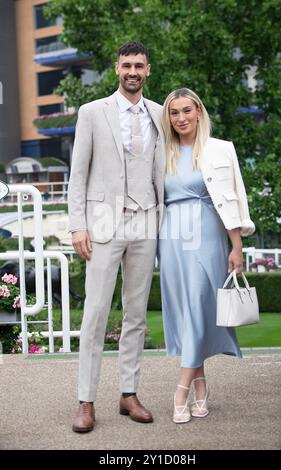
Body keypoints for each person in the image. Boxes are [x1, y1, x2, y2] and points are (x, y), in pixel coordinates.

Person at [68, 41, 165, 432]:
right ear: (116, 68)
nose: (133, 72)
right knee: (95, 315)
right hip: (104, 225)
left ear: (148, 70)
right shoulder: (92, 112)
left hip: (146, 224)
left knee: (136, 315)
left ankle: (129, 393)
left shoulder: (161, 113)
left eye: (139, 66)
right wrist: (77, 224)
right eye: (127, 65)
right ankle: (86, 401)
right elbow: (78, 173)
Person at [158, 88, 255, 424]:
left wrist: (237, 245)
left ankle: (181, 390)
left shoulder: (220, 150)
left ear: (198, 110)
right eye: (174, 113)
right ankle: (201, 387)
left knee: (200, 304)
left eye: (187, 110)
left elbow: (234, 198)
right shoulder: (162, 152)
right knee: (186, 311)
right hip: (171, 239)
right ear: (168, 118)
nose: (181, 118)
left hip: (208, 236)